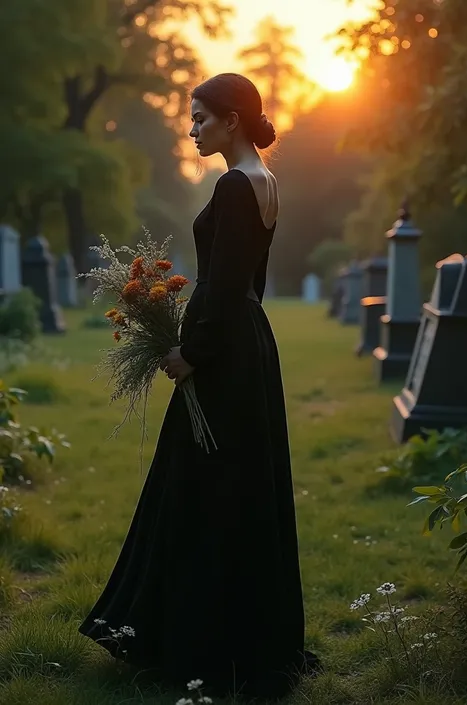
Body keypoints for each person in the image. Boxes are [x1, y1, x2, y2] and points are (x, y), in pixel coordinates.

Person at [79, 72, 318, 700]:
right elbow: (250, 284)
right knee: (235, 489)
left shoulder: (237, 185)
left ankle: (195, 641)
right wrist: (224, 340)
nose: (191, 128)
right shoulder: (266, 182)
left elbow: (220, 283)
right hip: (248, 345)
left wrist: (193, 351)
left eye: (200, 118)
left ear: (233, 119)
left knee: (200, 489)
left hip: (224, 352)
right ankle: (242, 636)